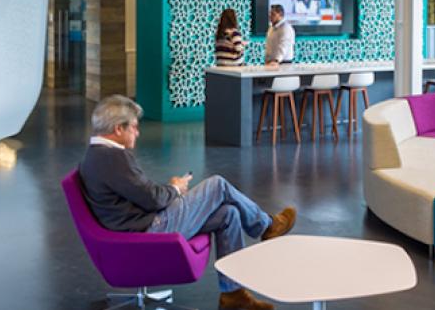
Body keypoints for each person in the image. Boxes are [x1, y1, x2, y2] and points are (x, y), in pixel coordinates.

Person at [79, 95, 297, 310]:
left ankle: (234, 296)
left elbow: (141, 193)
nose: (137, 132)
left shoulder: (96, 155)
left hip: (140, 223)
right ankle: (267, 225)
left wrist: (169, 189)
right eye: (134, 127)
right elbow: (153, 199)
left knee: (229, 214)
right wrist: (175, 189)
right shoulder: (113, 158)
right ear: (118, 129)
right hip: (149, 228)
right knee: (217, 185)